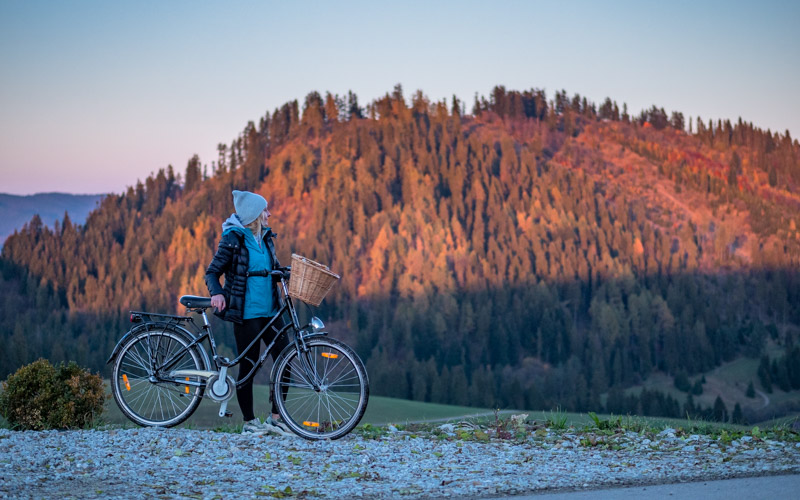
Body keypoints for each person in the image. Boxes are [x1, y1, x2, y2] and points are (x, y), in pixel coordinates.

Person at [205, 190, 293, 436]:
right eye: (265, 210)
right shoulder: (233, 238)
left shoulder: (265, 238)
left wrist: (284, 272)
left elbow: (271, 268)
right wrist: (218, 293)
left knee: (286, 359)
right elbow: (212, 272)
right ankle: (249, 422)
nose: (269, 213)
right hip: (247, 314)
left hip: (271, 312)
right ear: (254, 214)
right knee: (249, 366)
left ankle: (277, 418)